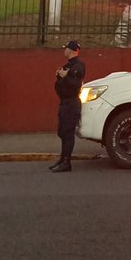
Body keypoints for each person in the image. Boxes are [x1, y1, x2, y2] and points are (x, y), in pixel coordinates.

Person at [51, 39, 86, 172]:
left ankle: (66, 162)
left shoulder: (78, 66)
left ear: (72, 50)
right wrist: (59, 77)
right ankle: (62, 158)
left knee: (68, 132)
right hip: (64, 101)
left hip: (72, 102)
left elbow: (75, 84)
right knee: (62, 132)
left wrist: (65, 77)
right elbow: (59, 85)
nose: (64, 50)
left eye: (66, 48)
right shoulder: (67, 66)